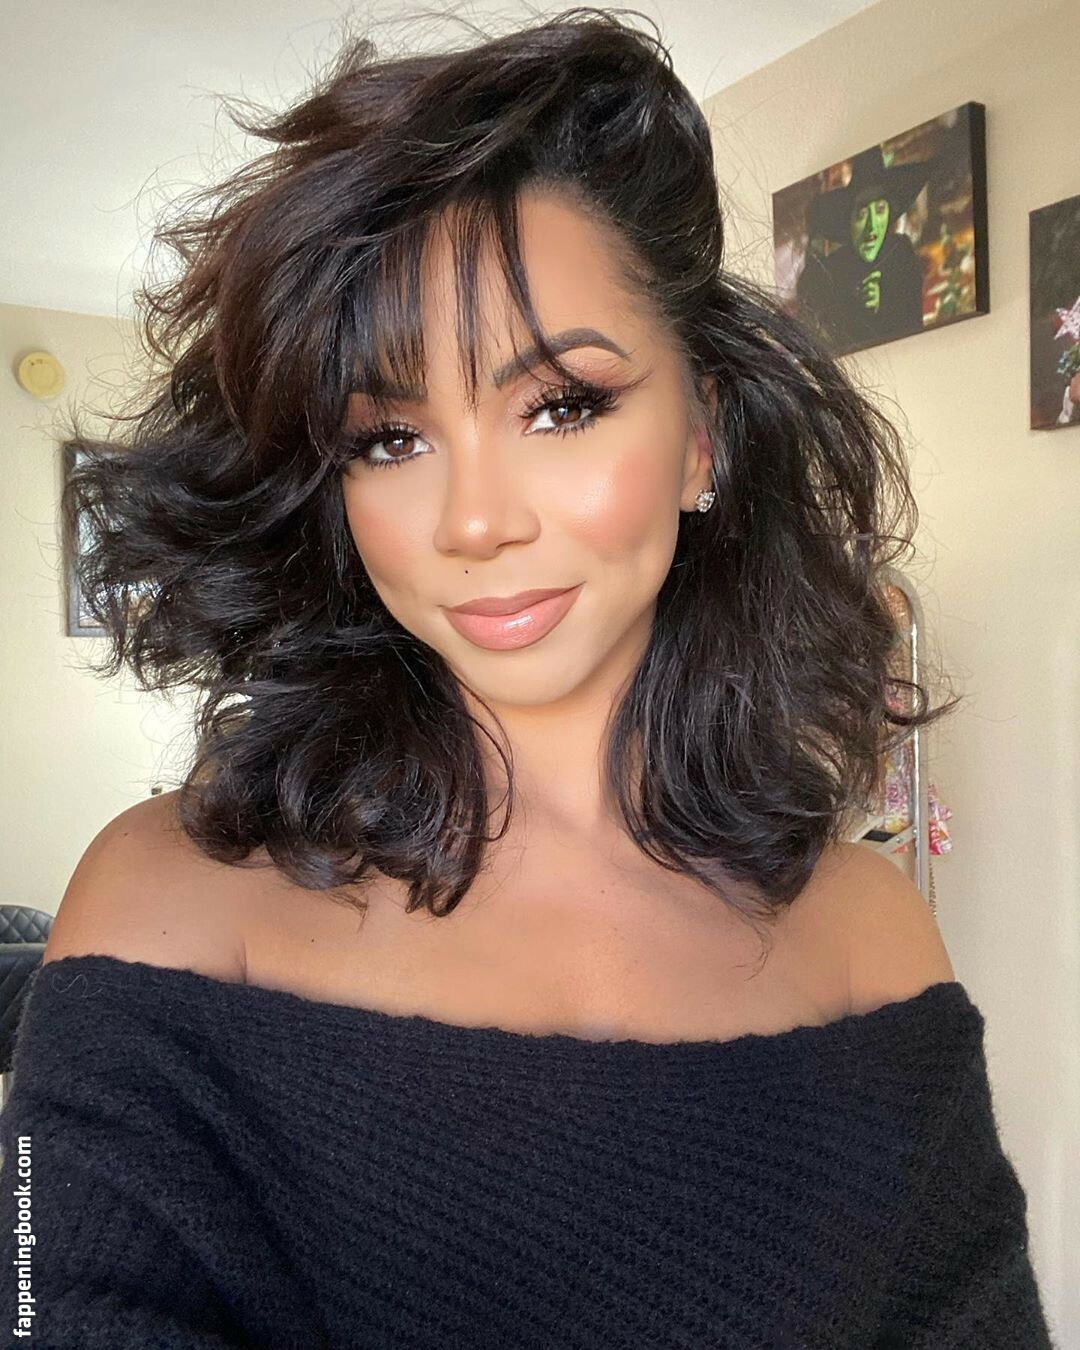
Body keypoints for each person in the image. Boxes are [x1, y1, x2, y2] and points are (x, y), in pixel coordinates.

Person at [0, 9, 1053, 1348]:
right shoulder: (170, 912)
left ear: (703, 436)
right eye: (390, 439)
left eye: (562, 405)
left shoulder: (867, 940)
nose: (475, 520)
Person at [796, 144, 930, 352]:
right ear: (848, 220)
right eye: (862, 213)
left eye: (880, 210)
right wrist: (856, 309)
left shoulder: (901, 254)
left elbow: (913, 330)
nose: (872, 226)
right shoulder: (827, 272)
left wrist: (883, 308)